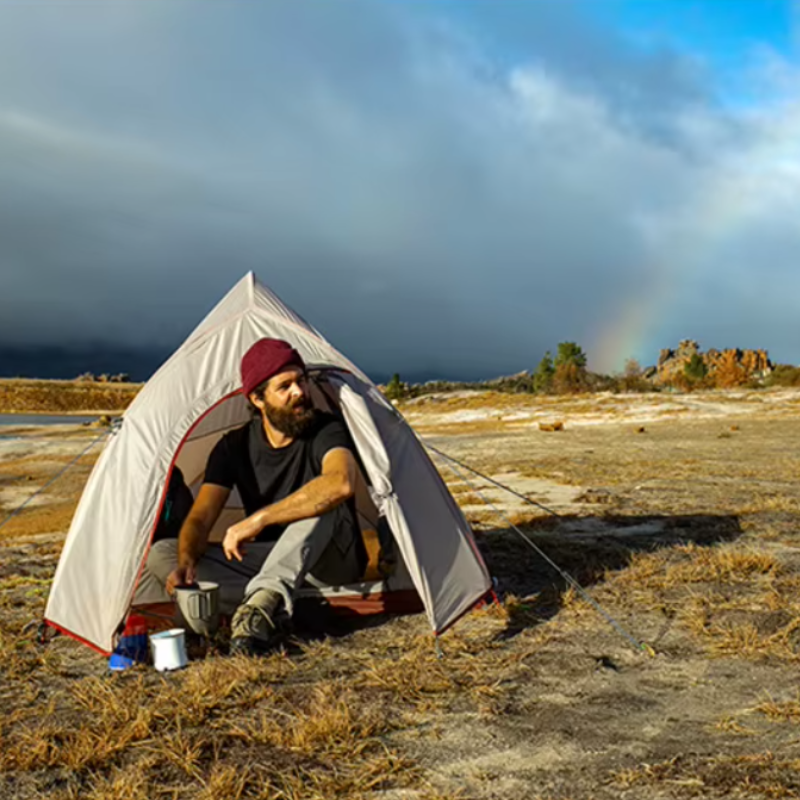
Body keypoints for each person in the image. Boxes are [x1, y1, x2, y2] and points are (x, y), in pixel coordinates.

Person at [136, 338, 366, 655]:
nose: (299, 391)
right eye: (285, 386)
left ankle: (255, 609)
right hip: (268, 561)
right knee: (163, 551)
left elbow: (340, 483)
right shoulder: (234, 446)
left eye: (301, 381)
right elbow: (201, 518)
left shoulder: (326, 429)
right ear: (258, 398)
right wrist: (186, 564)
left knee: (321, 505)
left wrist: (257, 521)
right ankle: (273, 604)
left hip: (328, 560)